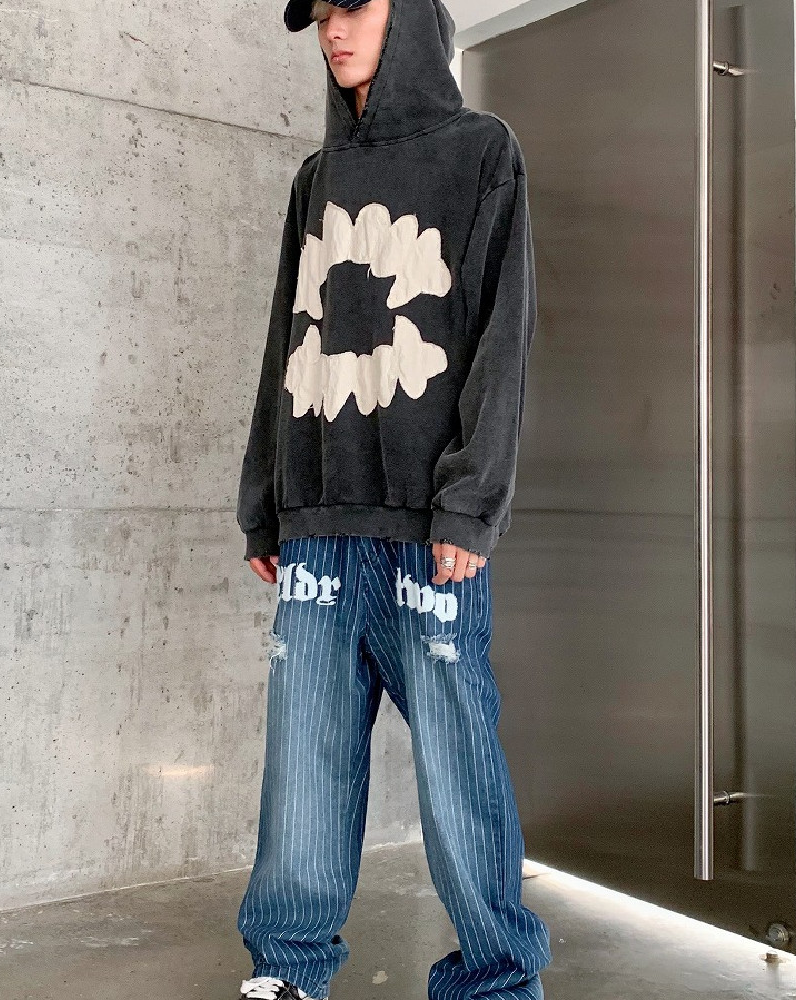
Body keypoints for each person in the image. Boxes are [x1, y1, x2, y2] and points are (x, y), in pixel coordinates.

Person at [235, 0, 552, 997]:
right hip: (320, 527)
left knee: (459, 769)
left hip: (428, 530)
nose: (335, 30)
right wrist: (265, 500)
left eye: (356, 6)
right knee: (304, 766)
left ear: (409, 15)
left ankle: (497, 979)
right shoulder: (317, 177)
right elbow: (287, 342)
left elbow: (503, 335)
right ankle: (289, 971)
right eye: (322, 14)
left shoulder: (482, 153)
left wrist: (470, 504)